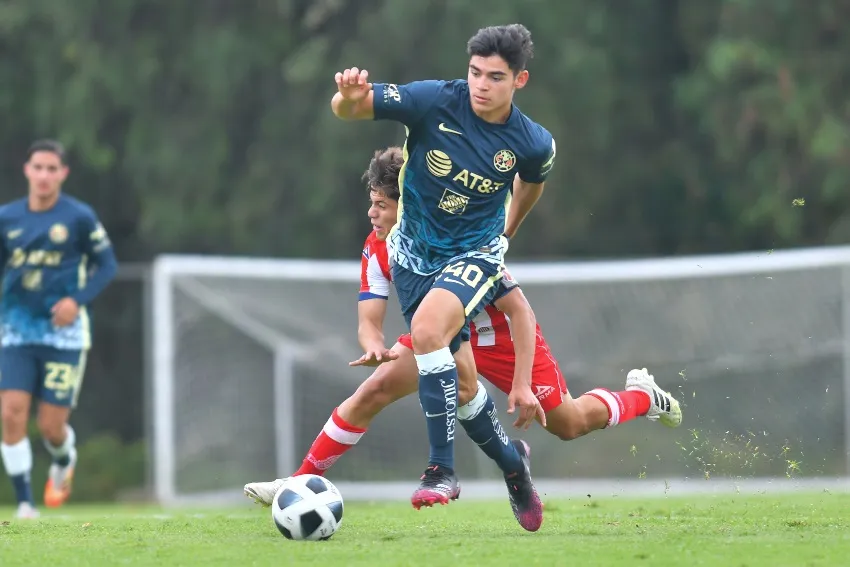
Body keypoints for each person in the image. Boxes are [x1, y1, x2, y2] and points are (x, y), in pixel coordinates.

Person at [244, 148, 682, 531]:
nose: (371, 214)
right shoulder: (376, 246)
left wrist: (524, 383)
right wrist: (375, 343)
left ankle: (641, 398)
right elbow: (369, 318)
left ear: (409, 207)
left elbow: (520, 313)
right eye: (371, 204)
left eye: (381, 205)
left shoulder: (453, 240)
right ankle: (298, 482)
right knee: (373, 390)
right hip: (444, 335)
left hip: (504, 338)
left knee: (568, 423)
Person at [330, 24, 554, 520]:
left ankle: (440, 471)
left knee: (429, 332)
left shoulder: (532, 142)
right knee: (467, 387)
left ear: (519, 81)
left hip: (473, 255)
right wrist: (346, 98)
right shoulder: (433, 100)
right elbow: (349, 109)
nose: (481, 84)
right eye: (475, 72)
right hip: (412, 257)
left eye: (495, 77)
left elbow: (532, 184)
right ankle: (513, 466)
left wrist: (507, 232)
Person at [0, 140, 117, 519]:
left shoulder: (79, 217)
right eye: (39, 167)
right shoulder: (7, 218)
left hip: (63, 336)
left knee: (50, 427)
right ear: (27, 171)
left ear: (63, 174)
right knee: (11, 413)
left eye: (53, 169)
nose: (45, 175)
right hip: (16, 331)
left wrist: (76, 301)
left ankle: (64, 459)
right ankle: (24, 503)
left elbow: (108, 265)